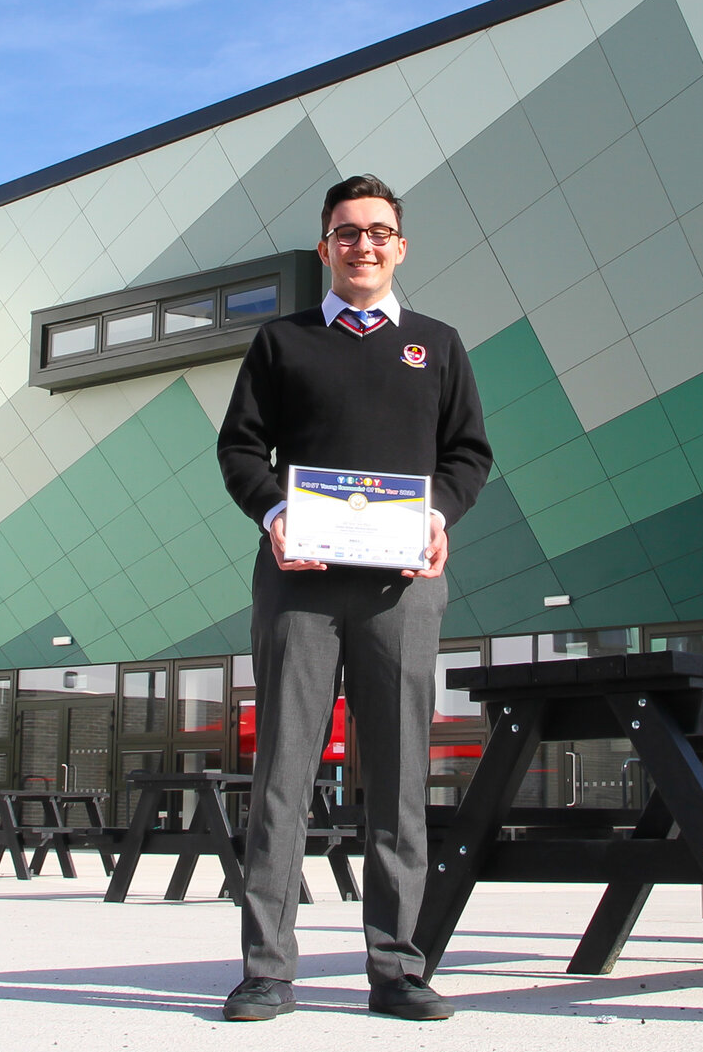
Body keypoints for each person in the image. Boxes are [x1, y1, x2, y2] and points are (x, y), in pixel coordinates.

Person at [213, 174, 493, 1022]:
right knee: (282, 778)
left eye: (378, 231)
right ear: (325, 246)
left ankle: (397, 967)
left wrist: (439, 515)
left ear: (399, 247)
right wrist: (273, 510)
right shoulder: (282, 341)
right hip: (297, 589)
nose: (362, 244)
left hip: (400, 590)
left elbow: (468, 455)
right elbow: (239, 448)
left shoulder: (437, 345)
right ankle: (268, 968)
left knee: (401, 777)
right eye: (345, 232)